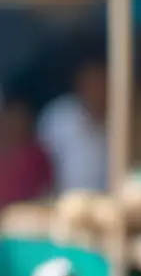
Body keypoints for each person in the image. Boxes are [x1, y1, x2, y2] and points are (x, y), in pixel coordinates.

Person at [37, 52, 108, 194]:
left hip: (108, 208)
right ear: (79, 84)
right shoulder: (59, 116)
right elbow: (40, 167)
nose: (97, 90)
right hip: (63, 205)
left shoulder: (123, 118)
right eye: (91, 83)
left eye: (101, 83)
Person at [0, 98, 52, 209]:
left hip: (27, 216)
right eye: (12, 118)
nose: (16, 124)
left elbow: (46, 191)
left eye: (20, 118)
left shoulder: (38, 156)